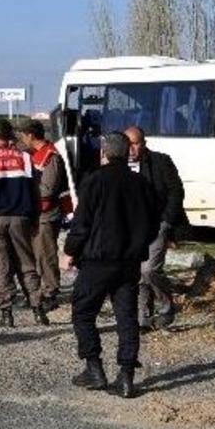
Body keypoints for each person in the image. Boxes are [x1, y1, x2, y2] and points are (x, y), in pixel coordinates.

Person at [63, 132, 159, 399]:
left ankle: (94, 369)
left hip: (97, 260)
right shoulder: (141, 183)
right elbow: (153, 225)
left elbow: (81, 224)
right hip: (129, 262)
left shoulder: (94, 180)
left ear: (103, 152)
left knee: (83, 312)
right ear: (128, 152)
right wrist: (137, 245)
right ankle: (126, 376)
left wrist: (70, 251)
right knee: (126, 317)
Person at [0, 118, 46, 328]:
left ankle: (6, 314)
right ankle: (38, 310)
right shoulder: (25, 157)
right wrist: (35, 219)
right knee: (27, 264)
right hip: (21, 218)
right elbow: (36, 193)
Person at [124, 126, 187, 329]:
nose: (132, 149)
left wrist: (167, 221)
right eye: (128, 144)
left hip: (158, 224)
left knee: (150, 270)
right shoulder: (120, 165)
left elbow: (176, 192)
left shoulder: (161, 162)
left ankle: (167, 306)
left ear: (144, 143)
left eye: (136, 143)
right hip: (132, 227)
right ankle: (143, 317)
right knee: (137, 273)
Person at [19, 120, 68, 315]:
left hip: (46, 213)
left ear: (30, 135)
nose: (23, 140)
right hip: (34, 212)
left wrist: (23, 193)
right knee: (34, 254)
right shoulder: (35, 156)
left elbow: (48, 189)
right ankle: (36, 292)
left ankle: (50, 293)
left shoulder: (50, 157)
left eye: (23, 136)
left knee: (46, 254)